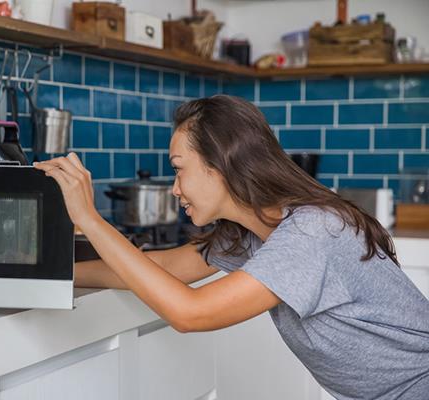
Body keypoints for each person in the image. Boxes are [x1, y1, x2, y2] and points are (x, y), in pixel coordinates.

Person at [33, 95, 429, 399]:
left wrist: (90, 219)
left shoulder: (311, 232)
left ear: (220, 164)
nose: (174, 188)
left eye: (177, 168)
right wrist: (49, 276)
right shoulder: (251, 230)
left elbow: (191, 313)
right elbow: (167, 267)